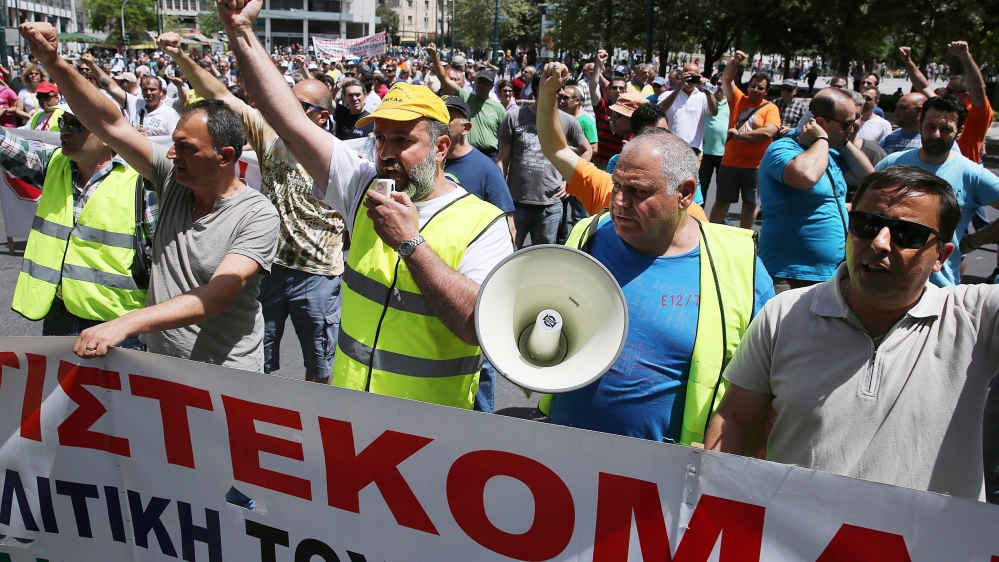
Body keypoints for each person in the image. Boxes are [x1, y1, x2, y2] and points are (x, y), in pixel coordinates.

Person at [216, 1, 513, 409]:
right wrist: (240, 30)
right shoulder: (361, 186)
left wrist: (411, 244)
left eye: (403, 141)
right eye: (380, 138)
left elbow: (474, 326)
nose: (387, 152)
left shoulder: (484, 223)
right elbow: (289, 121)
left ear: (441, 147)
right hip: (350, 415)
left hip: (430, 430)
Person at [705, 166, 999, 501]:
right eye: (866, 225)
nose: (880, 243)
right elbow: (736, 420)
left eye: (906, 234)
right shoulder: (784, 313)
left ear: (941, 257)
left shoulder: (979, 318)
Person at [534, 62, 773, 442]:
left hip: (666, 481)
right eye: (616, 187)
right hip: (563, 462)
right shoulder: (586, 235)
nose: (619, 202)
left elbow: (762, 389)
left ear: (685, 193)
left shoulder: (739, 266)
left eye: (640, 192)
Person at [19, 23, 281, 369]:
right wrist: (54, 61)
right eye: (173, 143)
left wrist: (126, 322)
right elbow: (109, 124)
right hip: (158, 370)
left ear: (225, 156)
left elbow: (216, 296)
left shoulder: (257, 215)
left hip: (225, 377)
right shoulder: (173, 179)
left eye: (186, 148)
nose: (171, 155)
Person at [161, 32, 345, 383]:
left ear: (322, 117)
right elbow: (220, 96)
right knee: (262, 364)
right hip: (270, 267)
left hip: (319, 274)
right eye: (285, 103)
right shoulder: (269, 135)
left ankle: (312, 427)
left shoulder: (340, 157)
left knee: (320, 368)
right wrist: (181, 57)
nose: (286, 111)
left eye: (300, 107)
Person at [5, 100, 152, 349]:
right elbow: (6, 145)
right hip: (58, 316)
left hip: (118, 327)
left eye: (77, 125)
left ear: (109, 133)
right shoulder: (54, 164)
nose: (64, 131)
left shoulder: (143, 181)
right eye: (63, 122)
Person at [875, 95, 999, 287]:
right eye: (930, 126)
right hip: (884, 279)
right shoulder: (892, 164)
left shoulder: (972, 174)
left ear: (960, 131)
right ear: (920, 124)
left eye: (946, 129)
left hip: (939, 290)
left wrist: (973, 241)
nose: (936, 135)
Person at [758, 88, 873, 293]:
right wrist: (822, 139)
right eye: (846, 123)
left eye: (855, 121)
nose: (853, 128)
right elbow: (805, 177)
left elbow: (869, 179)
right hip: (789, 274)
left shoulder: (832, 152)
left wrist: (843, 142)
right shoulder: (783, 149)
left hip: (832, 272)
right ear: (820, 123)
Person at [498, 76, 590, 248]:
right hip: (515, 204)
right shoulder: (514, 116)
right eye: (558, 88)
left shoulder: (567, 121)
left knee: (541, 259)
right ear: (541, 89)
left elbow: (587, 150)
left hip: (549, 207)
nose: (562, 93)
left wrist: (571, 181)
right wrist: (499, 193)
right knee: (509, 254)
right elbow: (502, 159)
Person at [709, 51, 781, 229]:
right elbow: (727, 79)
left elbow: (769, 131)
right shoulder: (739, 100)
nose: (756, 90)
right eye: (754, 86)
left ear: (767, 91)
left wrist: (740, 135)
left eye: (761, 88)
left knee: (750, 204)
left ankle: (745, 238)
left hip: (755, 166)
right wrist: (735, 61)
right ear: (748, 86)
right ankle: (711, 235)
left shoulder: (770, 108)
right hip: (731, 163)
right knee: (721, 202)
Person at [900, 42, 992, 164]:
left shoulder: (978, 114)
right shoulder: (942, 107)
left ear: (965, 95)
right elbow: (923, 86)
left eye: (950, 90)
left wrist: (965, 57)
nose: (945, 92)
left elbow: (978, 89)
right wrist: (908, 61)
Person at [428, 44, 505, 159]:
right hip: (468, 153)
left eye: (486, 82)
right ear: (475, 82)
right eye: (480, 81)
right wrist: (434, 56)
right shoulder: (466, 97)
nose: (482, 85)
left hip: (491, 155)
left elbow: (505, 137)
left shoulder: (498, 108)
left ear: (491, 86)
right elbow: (444, 79)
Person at [657, 62, 718, 157]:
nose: (690, 81)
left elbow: (714, 112)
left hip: (694, 150)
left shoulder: (703, 96)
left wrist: (707, 88)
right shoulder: (667, 94)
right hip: (671, 149)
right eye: (688, 76)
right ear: (681, 76)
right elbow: (659, 111)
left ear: (699, 77)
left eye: (694, 77)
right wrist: (679, 87)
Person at [587, 50, 626, 168]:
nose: (618, 90)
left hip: (616, 165)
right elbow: (593, 88)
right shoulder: (602, 108)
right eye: (614, 88)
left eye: (621, 88)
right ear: (609, 91)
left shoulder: (630, 115)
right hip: (597, 164)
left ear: (625, 91)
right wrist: (598, 63)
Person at [699, 75, 728, 201]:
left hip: (724, 152)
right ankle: (700, 214)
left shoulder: (732, 103)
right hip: (706, 152)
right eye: (716, 84)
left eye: (721, 84)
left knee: (722, 188)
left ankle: (721, 216)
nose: (719, 87)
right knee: (702, 187)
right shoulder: (706, 101)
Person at [559, 84, 598, 157]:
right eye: (561, 97)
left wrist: (569, 149)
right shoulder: (559, 118)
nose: (562, 101)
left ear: (577, 100)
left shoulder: (586, 121)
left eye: (566, 98)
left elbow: (594, 148)